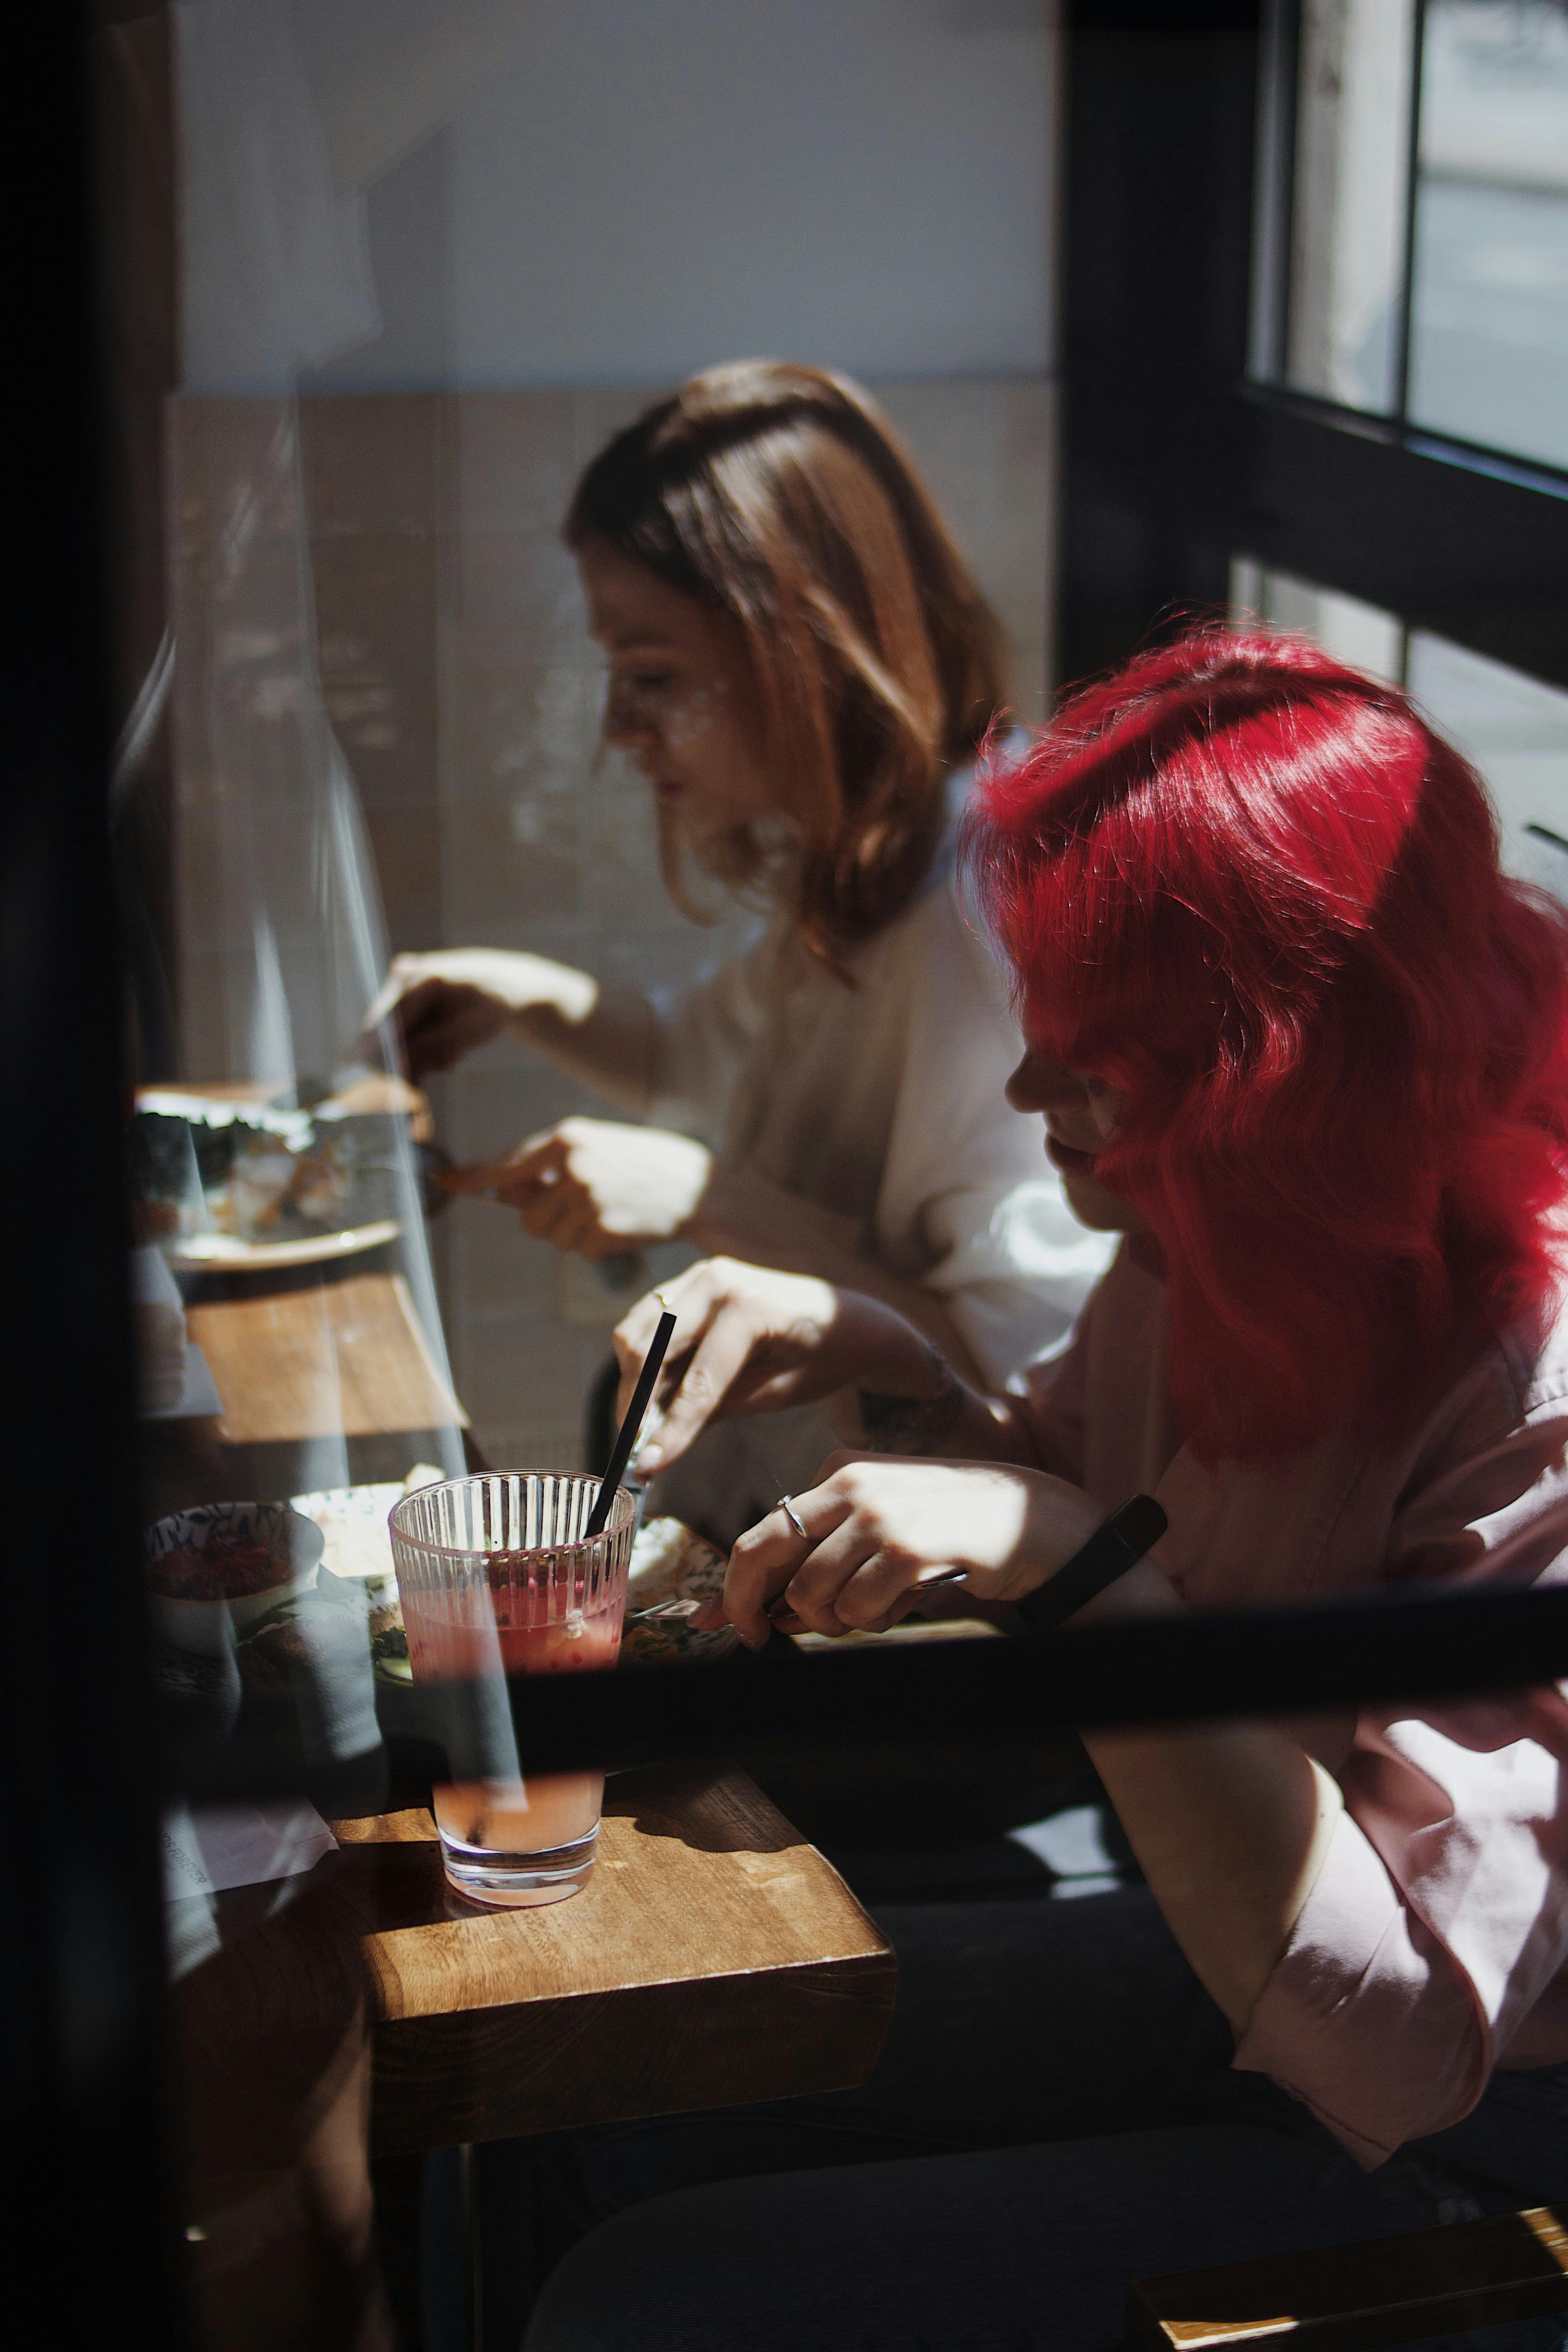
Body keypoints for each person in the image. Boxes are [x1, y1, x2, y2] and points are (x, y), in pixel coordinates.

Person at [522, 628, 1568, 2352]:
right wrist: (874, 1344)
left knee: (644, 2301)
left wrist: (1081, 1574)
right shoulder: (1209, 1233)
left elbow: (1410, 2046)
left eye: (1093, 1061)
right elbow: (1076, 1487)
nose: (1025, 1092)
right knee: (593, 2096)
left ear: (1278, 1070)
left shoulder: (1523, 1382)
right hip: (1222, 1959)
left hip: (1471, 2147)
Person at [368, 361, 1110, 1539]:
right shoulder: (865, 855)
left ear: (802, 653)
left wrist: (715, 1199)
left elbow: (1013, 1388)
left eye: (652, 678)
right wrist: (526, 996)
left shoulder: (981, 917)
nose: (619, 730)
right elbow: (684, 1050)